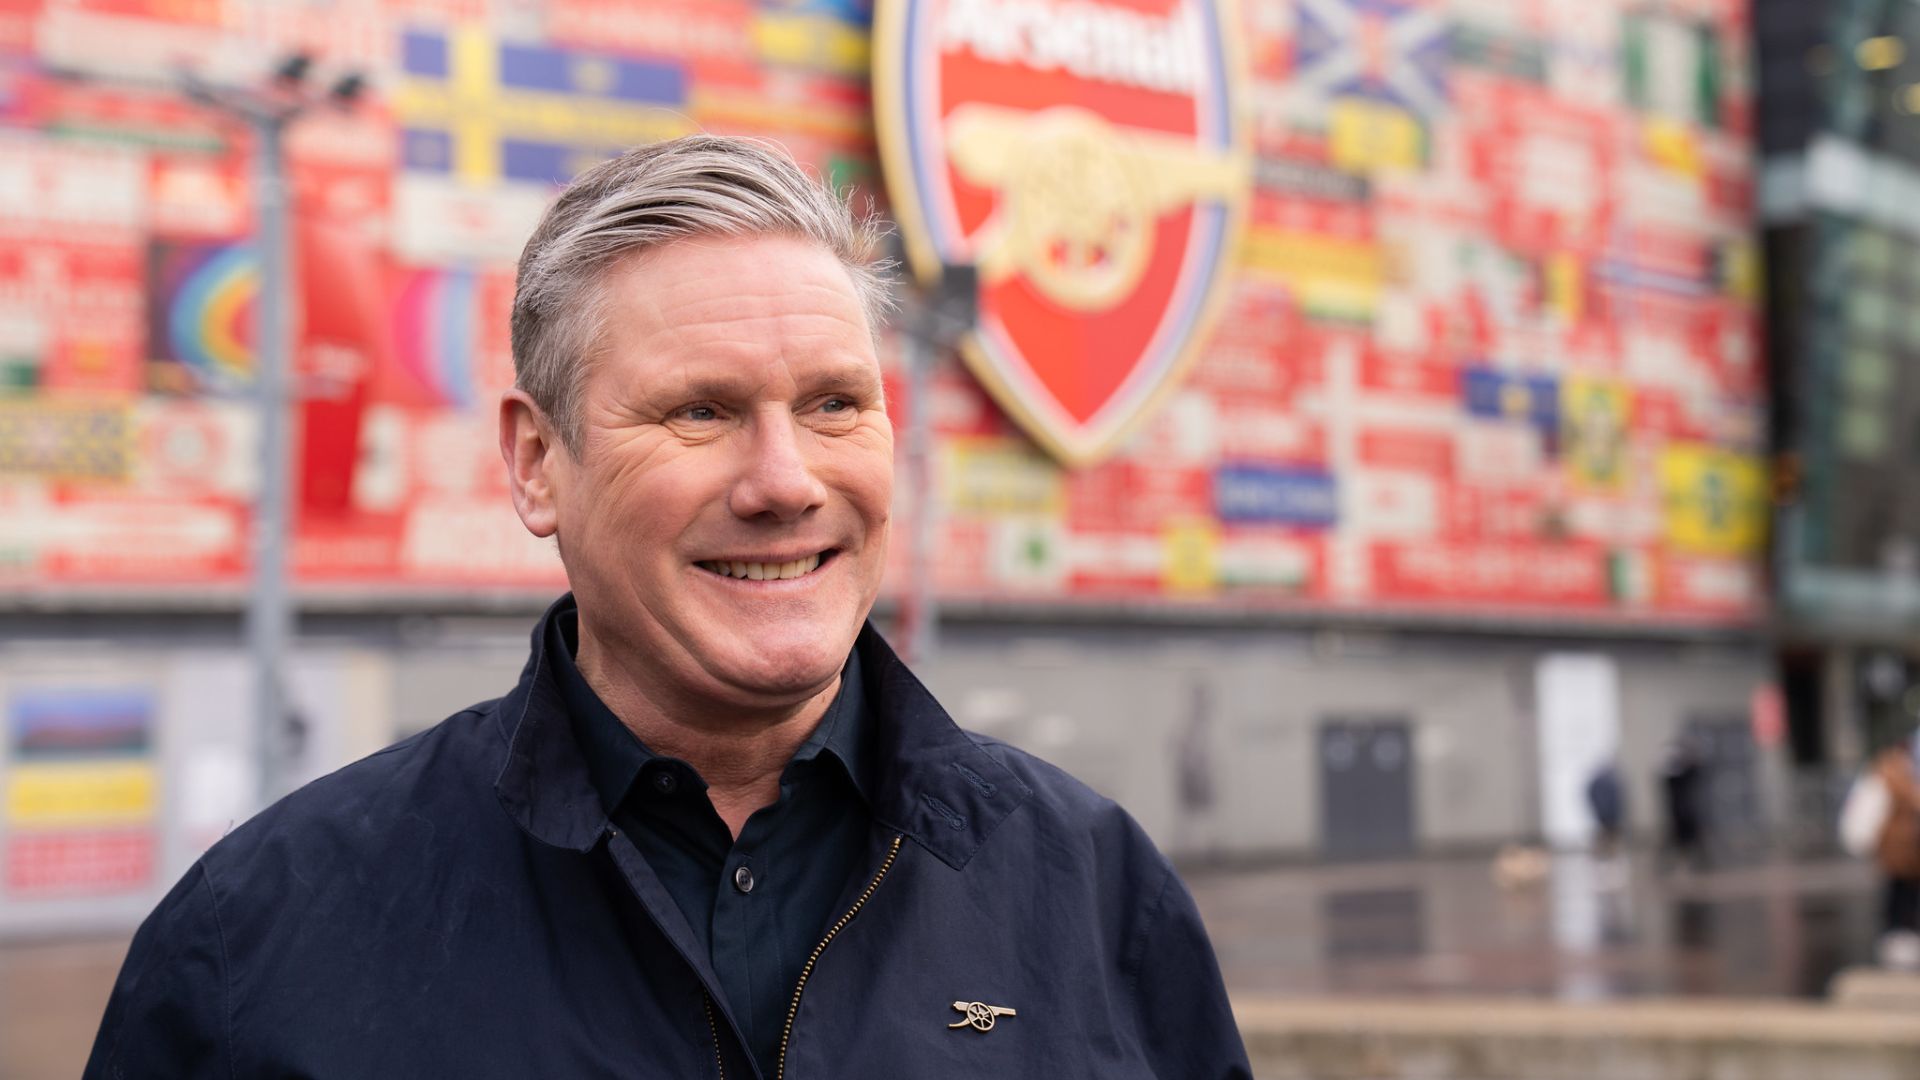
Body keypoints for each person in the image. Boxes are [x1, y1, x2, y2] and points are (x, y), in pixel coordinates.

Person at [85, 136, 1252, 1078]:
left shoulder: (1096, 892)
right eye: (699, 411)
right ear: (537, 464)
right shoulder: (257, 941)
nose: (787, 481)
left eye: (837, 403)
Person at [1870, 731, 1920, 968]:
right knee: (1902, 892)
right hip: (1902, 845)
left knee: (1898, 891)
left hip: (1898, 846)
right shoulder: (1897, 774)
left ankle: (1896, 936)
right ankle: (1899, 937)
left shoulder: (1889, 771)